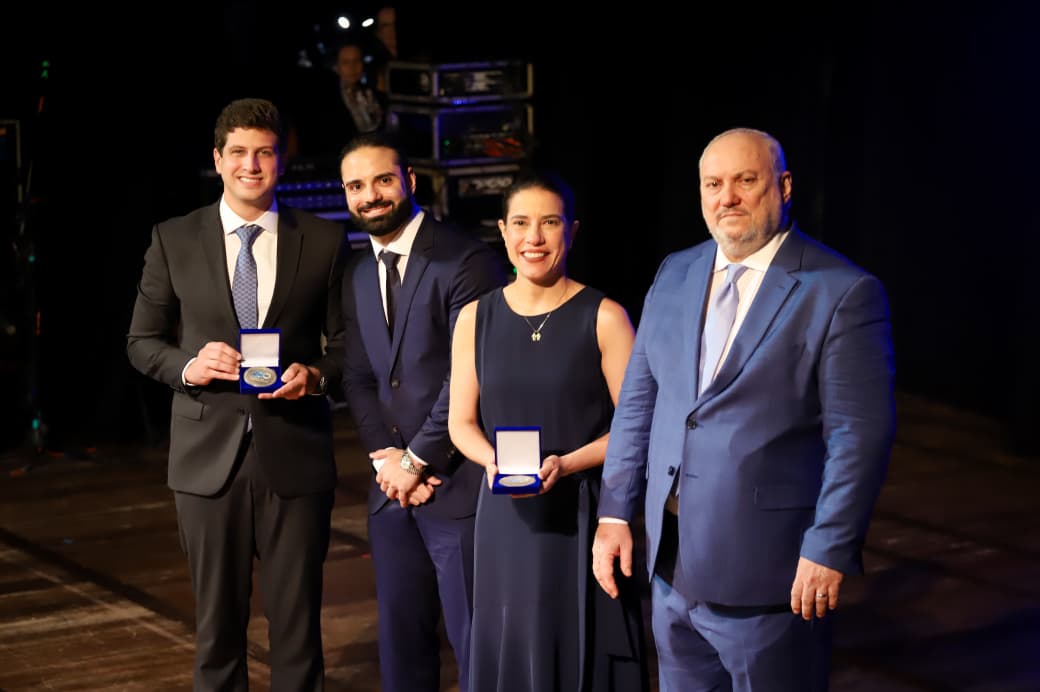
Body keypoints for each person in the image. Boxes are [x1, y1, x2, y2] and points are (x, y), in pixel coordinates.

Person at [591, 127, 896, 692]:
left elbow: (860, 436)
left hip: (772, 577)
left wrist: (829, 545)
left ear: (782, 186)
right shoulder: (675, 272)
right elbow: (640, 404)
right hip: (670, 566)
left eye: (744, 181)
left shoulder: (842, 291)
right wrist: (615, 512)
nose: (726, 196)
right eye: (713, 184)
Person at [127, 98, 349, 690]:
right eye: (240, 153)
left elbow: (349, 348)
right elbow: (141, 343)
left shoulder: (325, 240)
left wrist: (317, 376)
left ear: (282, 161)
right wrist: (189, 366)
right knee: (217, 631)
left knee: (298, 630)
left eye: (266, 153)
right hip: (206, 463)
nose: (253, 165)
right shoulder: (173, 238)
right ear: (218, 161)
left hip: (296, 453)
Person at [447, 172, 650, 691]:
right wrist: (491, 460)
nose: (533, 237)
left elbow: (636, 428)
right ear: (502, 230)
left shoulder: (605, 316)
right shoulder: (475, 317)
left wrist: (568, 463)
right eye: (521, 223)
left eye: (549, 222)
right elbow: (461, 423)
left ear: (572, 231)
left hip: (580, 515)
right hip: (504, 514)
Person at [338, 131, 506, 692]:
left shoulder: (466, 260)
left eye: (382, 180)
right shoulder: (359, 272)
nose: (371, 196)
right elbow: (360, 377)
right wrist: (385, 456)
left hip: (456, 486)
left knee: (474, 643)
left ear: (409, 181)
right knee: (402, 649)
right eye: (355, 186)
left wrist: (416, 460)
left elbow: (469, 377)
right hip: (391, 490)